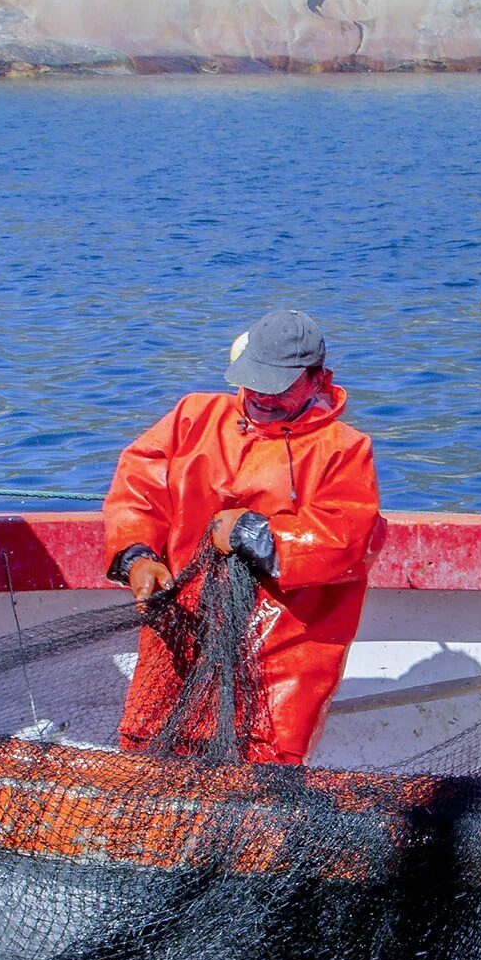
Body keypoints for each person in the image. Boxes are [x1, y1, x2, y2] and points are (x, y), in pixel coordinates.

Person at [101, 307, 381, 764]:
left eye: (279, 387)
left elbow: (347, 541)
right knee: (148, 744)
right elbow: (137, 488)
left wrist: (255, 533)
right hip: (181, 627)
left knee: (260, 767)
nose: (262, 397)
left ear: (317, 379)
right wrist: (137, 557)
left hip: (281, 647)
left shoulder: (345, 450)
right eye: (254, 382)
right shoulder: (192, 417)